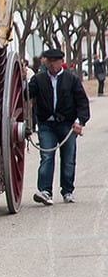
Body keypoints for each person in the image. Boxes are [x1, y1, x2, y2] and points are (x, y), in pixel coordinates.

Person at [28, 48, 90, 205]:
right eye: (48, 61)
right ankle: (45, 191)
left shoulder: (71, 80)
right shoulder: (39, 79)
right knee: (47, 157)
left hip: (67, 125)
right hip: (46, 124)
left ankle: (67, 191)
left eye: (54, 61)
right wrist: (23, 80)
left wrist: (79, 121)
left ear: (61, 62)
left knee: (68, 159)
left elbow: (82, 103)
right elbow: (26, 94)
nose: (51, 64)